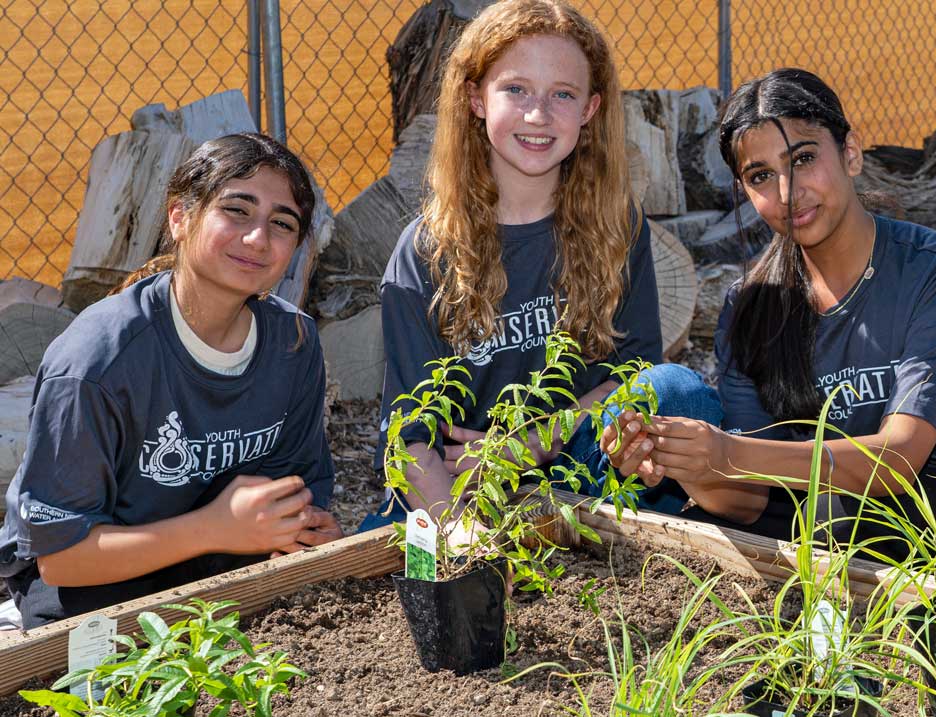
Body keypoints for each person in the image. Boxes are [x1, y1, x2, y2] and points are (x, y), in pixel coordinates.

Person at [603, 68, 936, 541]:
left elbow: (898, 458)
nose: (788, 194)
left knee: (832, 514)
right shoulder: (751, 308)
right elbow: (749, 503)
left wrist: (729, 454)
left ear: (850, 153)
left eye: (804, 159)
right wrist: (689, 463)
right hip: (833, 517)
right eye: (761, 176)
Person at [365, 0, 720, 530]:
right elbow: (410, 445)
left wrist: (527, 445)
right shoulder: (425, 251)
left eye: (563, 94)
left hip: (581, 474)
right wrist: (468, 545)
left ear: (591, 109)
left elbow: (636, 383)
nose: (538, 114)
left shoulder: (617, 227)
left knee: (680, 392)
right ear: (475, 98)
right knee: (380, 549)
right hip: (465, 488)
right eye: (516, 89)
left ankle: (609, 535)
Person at [0, 133, 341, 628]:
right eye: (237, 211)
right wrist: (215, 527)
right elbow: (62, 559)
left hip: (223, 572)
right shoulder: (97, 361)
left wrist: (304, 530)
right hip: (97, 590)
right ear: (180, 217)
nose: (258, 238)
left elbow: (293, 492)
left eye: (281, 223)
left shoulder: (294, 342)